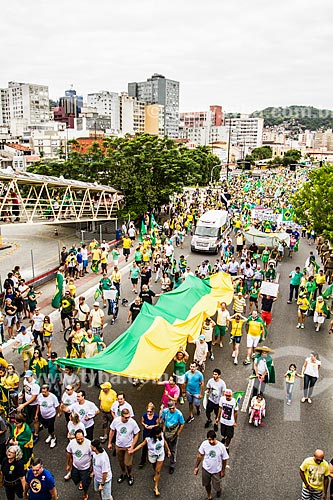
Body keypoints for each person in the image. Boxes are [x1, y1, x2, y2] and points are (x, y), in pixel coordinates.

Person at [128, 426, 171, 497]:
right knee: (154, 467)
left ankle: (156, 487)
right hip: (152, 455)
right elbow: (141, 445)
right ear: (155, 434)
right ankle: (155, 473)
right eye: (159, 433)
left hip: (160, 454)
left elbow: (164, 441)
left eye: (160, 433)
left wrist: (168, 450)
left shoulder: (161, 435)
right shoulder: (148, 439)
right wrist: (133, 450)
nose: (160, 434)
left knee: (158, 471)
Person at [108, 408, 140, 486]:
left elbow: (137, 434)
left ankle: (129, 474)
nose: (127, 419)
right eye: (125, 417)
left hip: (128, 447)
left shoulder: (132, 422)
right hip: (119, 446)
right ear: (121, 416)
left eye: (128, 417)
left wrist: (132, 446)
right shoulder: (116, 421)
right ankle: (123, 473)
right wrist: (109, 443)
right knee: (121, 462)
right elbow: (112, 430)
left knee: (128, 463)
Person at [194, 430, 229, 500]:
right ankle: (209, 495)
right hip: (206, 469)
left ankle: (218, 490)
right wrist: (196, 467)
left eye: (213, 439)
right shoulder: (204, 444)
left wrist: (223, 470)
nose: (211, 441)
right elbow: (200, 456)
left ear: (215, 438)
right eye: (209, 440)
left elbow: (224, 459)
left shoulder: (221, 447)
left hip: (216, 471)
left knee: (216, 486)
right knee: (206, 484)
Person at [66, 429, 92, 500]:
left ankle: (85, 493)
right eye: (78, 439)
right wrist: (67, 464)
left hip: (85, 468)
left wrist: (92, 469)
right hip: (75, 467)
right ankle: (81, 481)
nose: (80, 441)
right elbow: (68, 453)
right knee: (75, 478)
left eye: (81, 439)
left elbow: (93, 456)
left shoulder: (89, 444)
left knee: (85, 483)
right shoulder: (72, 443)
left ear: (84, 436)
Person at [160, 400, 185, 475]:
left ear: (175, 406)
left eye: (173, 408)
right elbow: (163, 420)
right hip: (167, 431)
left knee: (173, 449)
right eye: (170, 408)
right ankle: (166, 454)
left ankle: (172, 464)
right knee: (165, 445)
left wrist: (178, 433)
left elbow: (182, 423)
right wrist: (163, 429)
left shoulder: (179, 414)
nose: (171, 410)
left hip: (174, 431)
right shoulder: (165, 412)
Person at [17, 370, 40, 443]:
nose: (27, 379)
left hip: (34, 405)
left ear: (32, 376)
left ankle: (36, 434)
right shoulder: (25, 381)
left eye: (28, 377)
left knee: (35, 419)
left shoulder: (35, 385)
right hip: (27, 403)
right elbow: (25, 389)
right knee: (26, 416)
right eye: (26, 377)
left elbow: (34, 398)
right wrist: (22, 395)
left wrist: (23, 404)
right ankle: (27, 430)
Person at [35, 384, 59, 449]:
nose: (43, 393)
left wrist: (58, 413)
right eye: (42, 391)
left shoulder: (53, 397)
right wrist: (36, 414)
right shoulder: (40, 396)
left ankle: (53, 438)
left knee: (51, 429)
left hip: (51, 416)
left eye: (45, 392)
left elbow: (57, 406)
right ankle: (50, 435)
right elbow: (38, 405)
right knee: (46, 427)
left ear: (48, 391)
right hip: (43, 416)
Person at [138, 402, 159, 468]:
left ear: (153, 411)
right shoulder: (144, 415)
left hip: (153, 433)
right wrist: (145, 425)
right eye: (148, 411)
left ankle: (155, 458)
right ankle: (143, 460)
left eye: (150, 411)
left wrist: (153, 426)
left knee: (154, 445)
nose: (149, 413)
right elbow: (142, 422)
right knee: (144, 447)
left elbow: (157, 424)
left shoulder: (155, 416)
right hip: (146, 432)